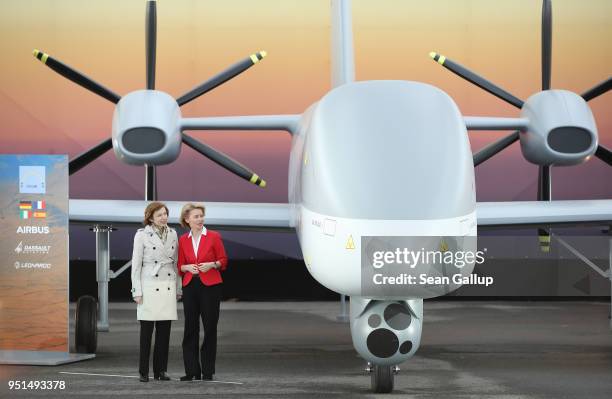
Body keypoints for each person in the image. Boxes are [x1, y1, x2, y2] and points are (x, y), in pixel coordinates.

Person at [131, 201, 181, 382]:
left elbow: (175, 263)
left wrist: (178, 287)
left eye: (165, 214)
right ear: (150, 217)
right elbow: (136, 265)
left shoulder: (174, 233)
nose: (164, 217)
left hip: (168, 284)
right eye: (159, 214)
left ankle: (161, 371)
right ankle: (143, 371)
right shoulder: (142, 235)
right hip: (149, 286)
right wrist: (136, 290)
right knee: (146, 333)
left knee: (164, 333)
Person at [177, 202, 228, 381]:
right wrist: (188, 267)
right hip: (190, 286)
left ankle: (207, 371)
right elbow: (179, 266)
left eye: (201, 216)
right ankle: (191, 371)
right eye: (196, 216)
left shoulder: (213, 236)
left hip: (210, 287)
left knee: (210, 328)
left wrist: (212, 265)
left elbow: (223, 261)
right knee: (190, 328)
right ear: (187, 219)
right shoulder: (183, 240)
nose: (200, 219)